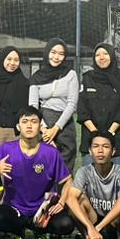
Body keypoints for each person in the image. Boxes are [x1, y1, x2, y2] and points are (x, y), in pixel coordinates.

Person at [0, 106, 74, 239]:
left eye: (33, 121)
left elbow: (68, 180)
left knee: (66, 224)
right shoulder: (7, 149)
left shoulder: (51, 152)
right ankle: (18, 232)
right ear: (18, 126)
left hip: (42, 210)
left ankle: (41, 231)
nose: (29, 125)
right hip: (15, 209)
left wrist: (61, 202)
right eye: (25, 121)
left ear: (40, 126)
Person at [66, 131, 120, 239]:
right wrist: (90, 228)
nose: (100, 151)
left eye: (105, 146)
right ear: (90, 151)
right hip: (94, 220)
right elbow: (70, 199)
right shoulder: (84, 171)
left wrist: (97, 228)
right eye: (96, 146)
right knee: (77, 200)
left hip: (115, 224)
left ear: (113, 151)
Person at [77, 41, 120, 170]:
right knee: (90, 180)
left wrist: (109, 133)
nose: (101, 57)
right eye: (98, 55)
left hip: (116, 141)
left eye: (105, 54)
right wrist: (95, 134)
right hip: (90, 140)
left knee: (118, 181)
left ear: (112, 56)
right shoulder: (87, 78)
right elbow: (82, 110)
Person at [29, 38, 80, 171]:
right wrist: (44, 130)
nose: (56, 57)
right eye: (53, 52)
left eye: (61, 54)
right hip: (42, 123)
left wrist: (56, 129)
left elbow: (72, 104)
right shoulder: (36, 77)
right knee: (42, 167)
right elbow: (33, 106)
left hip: (64, 124)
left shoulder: (71, 74)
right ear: (47, 53)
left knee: (64, 167)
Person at [0, 47, 29, 151]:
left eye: (16, 60)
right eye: (9, 59)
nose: (12, 63)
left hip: (16, 133)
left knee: (16, 161)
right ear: (3, 59)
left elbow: (26, 109)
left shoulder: (25, 84)